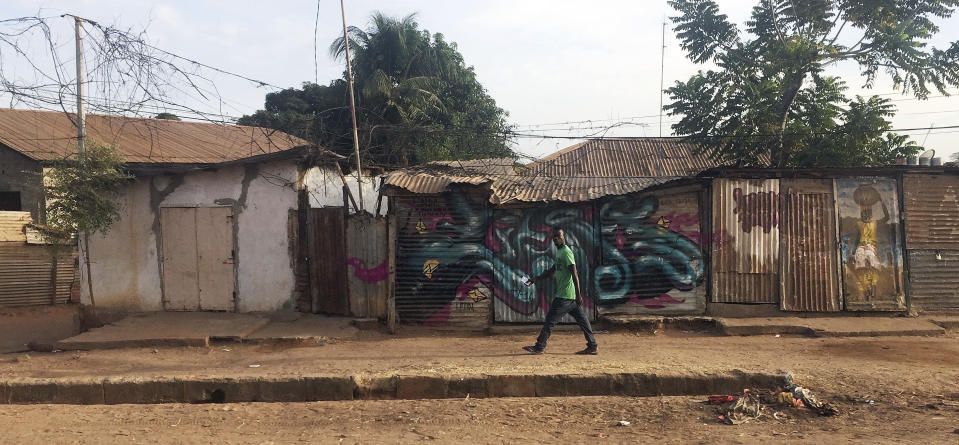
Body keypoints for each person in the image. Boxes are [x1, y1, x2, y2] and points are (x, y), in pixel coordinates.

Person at [522, 227, 598, 355]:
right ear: (553, 239)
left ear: (564, 237)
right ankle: (592, 346)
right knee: (583, 321)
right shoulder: (560, 252)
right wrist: (535, 279)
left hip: (565, 296)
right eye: (556, 237)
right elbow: (552, 269)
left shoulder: (566, 252)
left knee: (550, 321)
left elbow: (575, 273)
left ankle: (539, 346)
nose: (558, 238)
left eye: (560, 236)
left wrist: (579, 295)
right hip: (570, 296)